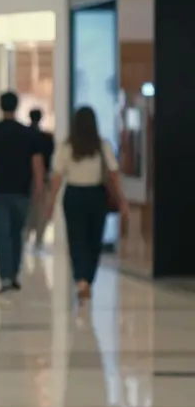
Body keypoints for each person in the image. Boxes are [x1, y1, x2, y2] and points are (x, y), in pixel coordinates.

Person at [43, 107, 126, 302]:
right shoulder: (102, 146)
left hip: (73, 195)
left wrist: (51, 201)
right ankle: (87, 278)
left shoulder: (66, 147)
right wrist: (121, 199)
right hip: (95, 196)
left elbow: (57, 177)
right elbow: (113, 174)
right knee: (94, 239)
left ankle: (81, 279)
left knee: (76, 238)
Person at [0, 91, 44, 293]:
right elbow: (37, 165)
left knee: (1, 234)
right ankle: (14, 273)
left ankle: (5, 277)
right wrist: (38, 190)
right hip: (21, 191)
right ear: (16, 106)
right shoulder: (28, 134)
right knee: (17, 233)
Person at [25, 108, 56, 250]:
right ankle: (39, 238)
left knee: (27, 209)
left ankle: (25, 235)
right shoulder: (47, 138)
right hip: (43, 178)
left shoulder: (24, 135)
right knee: (41, 209)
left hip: (25, 178)